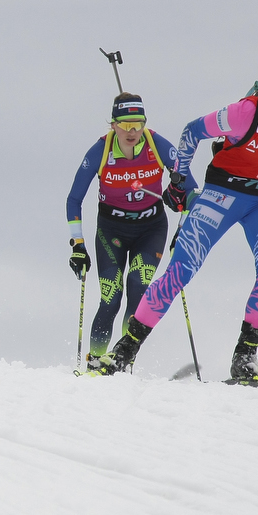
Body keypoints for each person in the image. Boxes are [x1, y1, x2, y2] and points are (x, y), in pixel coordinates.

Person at [96, 63, 258, 381]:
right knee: (181, 270)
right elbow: (192, 131)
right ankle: (124, 351)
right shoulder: (244, 114)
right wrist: (178, 181)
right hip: (222, 196)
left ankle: (246, 355)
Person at [66, 93, 197, 372]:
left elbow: (192, 193)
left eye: (138, 124)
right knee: (110, 297)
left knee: (138, 290)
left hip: (151, 229)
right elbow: (74, 199)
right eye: (125, 125)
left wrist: (182, 231)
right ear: (113, 124)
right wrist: (78, 245)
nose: (132, 131)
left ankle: (122, 361)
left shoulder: (156, 144)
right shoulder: (100, 151)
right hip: (111, 230)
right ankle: (95, 362)